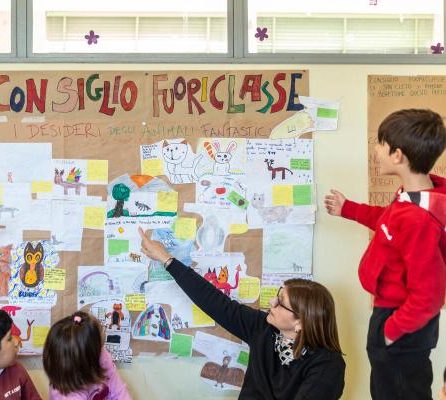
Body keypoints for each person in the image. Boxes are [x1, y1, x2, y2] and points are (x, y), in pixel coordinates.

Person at [139, 227, 345, 400]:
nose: (272, 303)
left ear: (301, 322)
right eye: (277, 295)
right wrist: (166, 259)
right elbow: (213, 301)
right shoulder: (264, 328)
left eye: (281, 303)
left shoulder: (327, 366)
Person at [325, 108, 446, 399]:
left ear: (397, 155)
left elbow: (429, 296)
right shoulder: (411, 199)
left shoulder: (420, 219)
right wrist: (348, 209)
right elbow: (388, 220)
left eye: (380, 143)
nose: (375, 150)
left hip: (401, 328)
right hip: (391, 320)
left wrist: (391, 331)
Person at [43, 311, 131, 400]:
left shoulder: (101, 355)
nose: (103, 350)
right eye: (99, 347)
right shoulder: (66, 397)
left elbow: (119, 390)